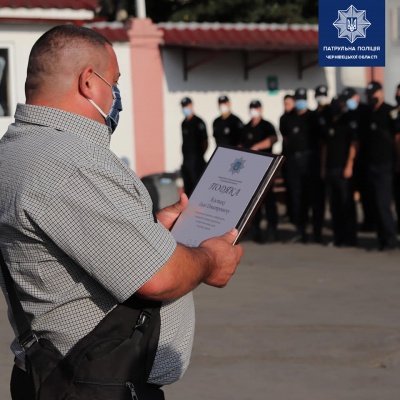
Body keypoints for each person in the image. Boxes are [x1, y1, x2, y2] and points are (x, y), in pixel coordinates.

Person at [0, 25, 243, 400]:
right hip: (94, 384)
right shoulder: (72, 161)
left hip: (47, 374)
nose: (116, 95)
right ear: (89, 83)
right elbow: (159, 278)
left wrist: (148, 229)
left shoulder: (16, 149)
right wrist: (210, 259)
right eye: (114, 82)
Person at [280, 88, 318, 243]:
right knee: (296, 197)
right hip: (294, 162)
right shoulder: (288, 118)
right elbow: (286, 139)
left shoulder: (313, 117)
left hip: (309, 161)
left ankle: (316, 231)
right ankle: (300, 230)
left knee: (312, 197)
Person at [363, 81, 397, 250]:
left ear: (381, 93)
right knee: (375, 204)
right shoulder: (368, 114)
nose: (372, 98)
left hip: (385, 165)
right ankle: (381, 239)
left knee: (383, 205)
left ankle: (391, 240)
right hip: (372, 165)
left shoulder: (389, 112)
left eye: (374, 94)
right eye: (369, 95)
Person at [320, 95, 358, 247]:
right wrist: (323, 168)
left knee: (346, 204)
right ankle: (338, 237)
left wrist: (349, 165)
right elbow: (324, 147)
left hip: (344, 170)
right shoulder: (329, 123)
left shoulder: (347, 121)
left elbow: (353, 145)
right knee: (334, 205)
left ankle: (351, 238)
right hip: (330, 169)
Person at [240, 100, 278, 243]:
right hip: (250, 169)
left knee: (268, 200)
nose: (253, 110)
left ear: (260, 109)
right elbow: (241, 144)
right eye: (251, 108)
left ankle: (272, 229)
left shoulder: (266, 126)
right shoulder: (246, 127)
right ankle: (255, 230)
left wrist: (257, 146)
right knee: (253, 203)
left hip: (266, 168)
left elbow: (273, 139)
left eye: (256, 108)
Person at [341, 87, 374, 232]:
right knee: (357, 194)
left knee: (370, 194)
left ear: (356, 97)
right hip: (355, 161)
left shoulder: (366, 112)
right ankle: (363, 223)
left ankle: (372, 221)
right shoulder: (348, 115)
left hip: (367, 158)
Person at [180, 97, 208, 196]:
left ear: (191, 105)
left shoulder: (198, 122)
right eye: (183, 106)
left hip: (196, 161)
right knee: (187, 188)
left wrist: (199, 157)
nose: (185, 108)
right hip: (186, 160)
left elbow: (205, 142)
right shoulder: (184, 123)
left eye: (187, 105)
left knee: (197, 188)